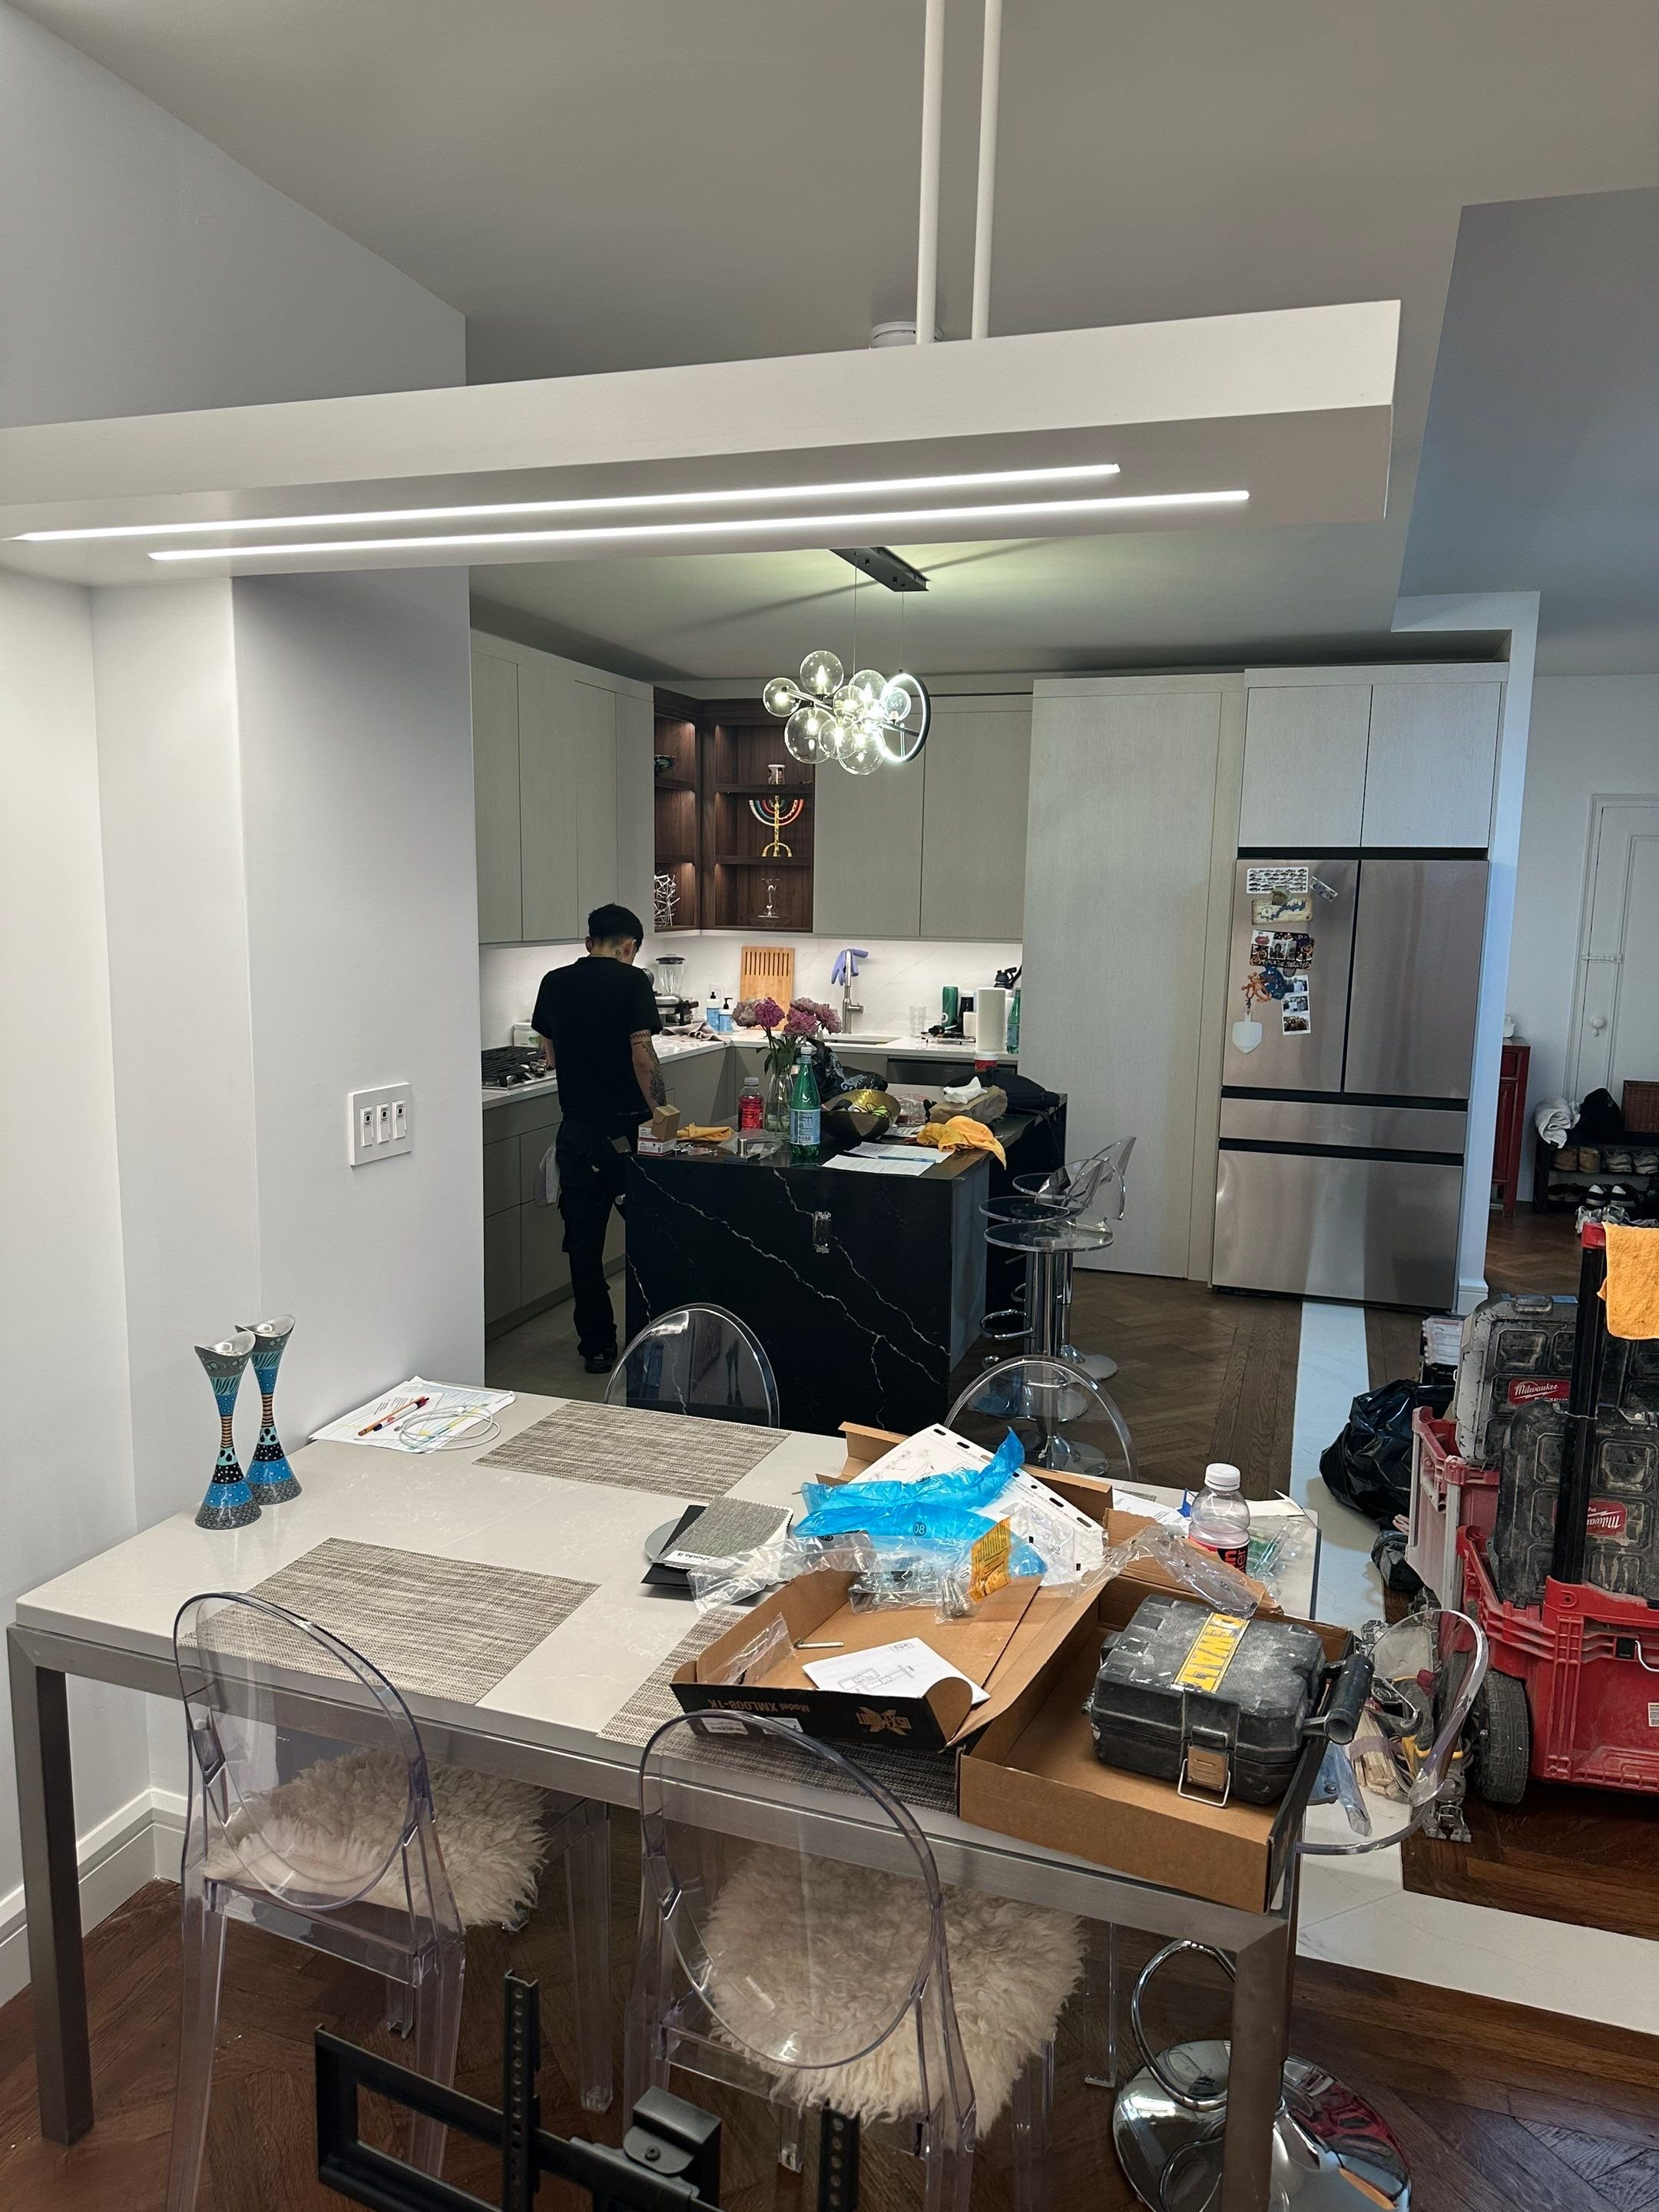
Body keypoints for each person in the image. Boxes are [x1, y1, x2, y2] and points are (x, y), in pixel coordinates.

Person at [531, 904, 666, 1373]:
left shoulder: (553, 982)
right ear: (629, 947)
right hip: (627, 1133)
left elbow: (548, 1053)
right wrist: (662, 1113)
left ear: (589, 942)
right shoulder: (633, 982)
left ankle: (597, 1347)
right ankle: (656, 1336)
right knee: (651, 1233)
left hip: (577, 1132)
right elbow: (642, 1056)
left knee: (584, 1246)